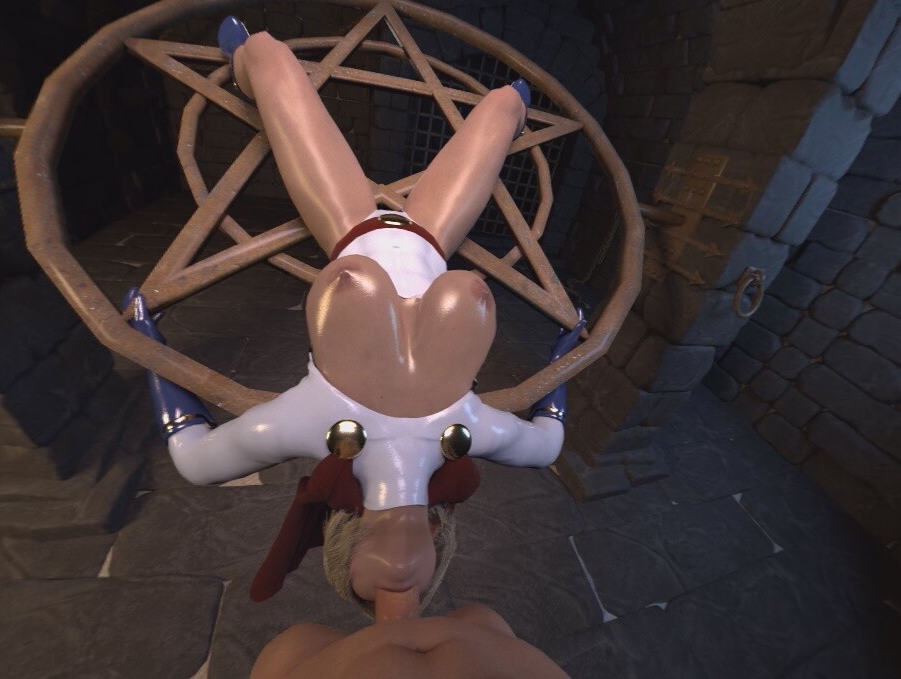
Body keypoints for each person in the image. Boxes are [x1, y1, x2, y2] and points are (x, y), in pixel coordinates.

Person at [126, 16, 582, 645]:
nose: (400, 591)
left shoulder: (310, 424)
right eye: (417, 589)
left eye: (370, 592)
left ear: (341, 545)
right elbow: (547, 443)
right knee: (506, 104)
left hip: (351, 228)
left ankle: (249, 60)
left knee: (267, 55)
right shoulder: (467, 431)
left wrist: (149, 342)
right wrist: (566, 352)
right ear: (440, 538)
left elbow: (196, 458)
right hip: (430, 239)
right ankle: (510, 108)